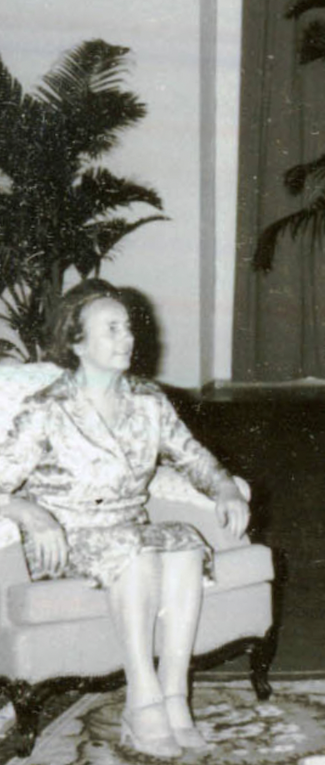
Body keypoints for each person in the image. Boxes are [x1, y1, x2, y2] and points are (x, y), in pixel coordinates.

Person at [0, 280, 250, 758]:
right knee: (136, 553)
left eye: (128, 328)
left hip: (130, 528)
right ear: (76, 342)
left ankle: (175, 697)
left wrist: (223, 488)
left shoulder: (147, 400)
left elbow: (194, 457)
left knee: (185, 543)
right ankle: (143, 700)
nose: (127, 338)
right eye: (111, 329)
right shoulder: (47, 409)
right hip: (68, 536)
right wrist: (28, 510)